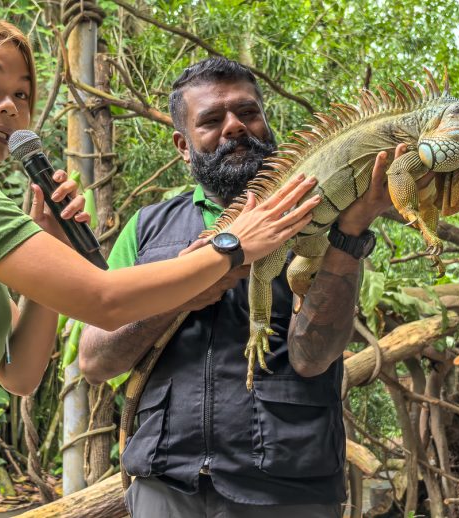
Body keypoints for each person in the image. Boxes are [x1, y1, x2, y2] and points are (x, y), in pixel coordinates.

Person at [0, 9, 318, 518]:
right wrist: (233, 245)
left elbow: (20, 373)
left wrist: (46, 244)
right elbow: (104, 302)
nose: (9, 106)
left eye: (21, 92)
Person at [79, 57, 422, 518]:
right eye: (212, 120)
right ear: (183, 145)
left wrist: (352, 229)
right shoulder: (147, 229)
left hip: (288, 488)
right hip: (167, 484)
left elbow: (313, 357)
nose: (235, 127)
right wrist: (183, 290)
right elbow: (95, 360)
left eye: (248, 113)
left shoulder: (326, 210)